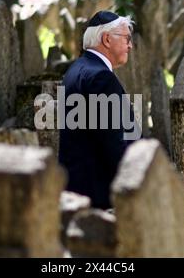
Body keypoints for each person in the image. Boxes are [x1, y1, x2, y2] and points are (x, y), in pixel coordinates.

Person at [58, 11, 140, 209]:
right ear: (107, 39)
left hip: (76, 186)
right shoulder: (101, 78)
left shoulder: (76, 69)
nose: (130, 45)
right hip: (99, 193)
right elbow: (115, 142)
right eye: (127, 38)